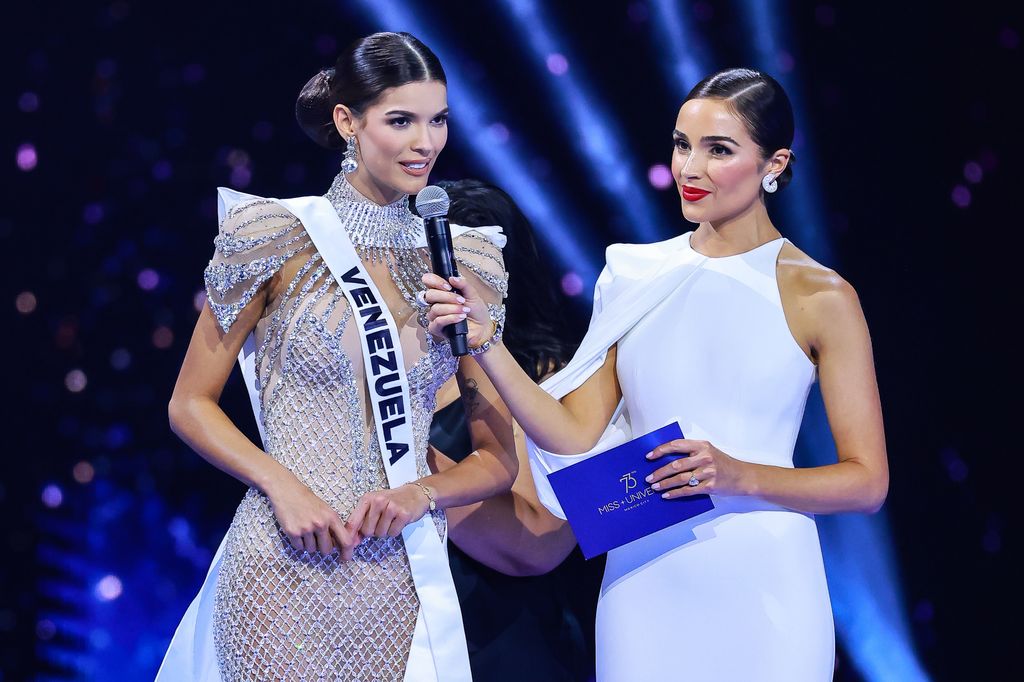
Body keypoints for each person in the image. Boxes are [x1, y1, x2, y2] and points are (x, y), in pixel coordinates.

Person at [423, 68, 889, 681]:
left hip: (764, 577)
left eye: (718, 150)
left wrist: (738, 474)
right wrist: (486, 344)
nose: (689, 169)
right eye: (681, 144)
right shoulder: (634, 273)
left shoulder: (821, 295)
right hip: (644, 577)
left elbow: (866, 482)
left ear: (773, 164)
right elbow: (571, 433)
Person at [157, 32, 517, 682]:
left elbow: (498, 460)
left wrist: (422, 493)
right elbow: (189, 404)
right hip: (280, 563)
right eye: (401, 120)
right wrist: (282, 485)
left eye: (437, 120)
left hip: (396, 577)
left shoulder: (465, 258)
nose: (425, 142)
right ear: (347, 121)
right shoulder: (272, 234)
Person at [427, 179, 603, 681]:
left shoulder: (554, 378)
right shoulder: (392, 370)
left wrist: (397, 450)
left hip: (506, 646)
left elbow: (537, 542)